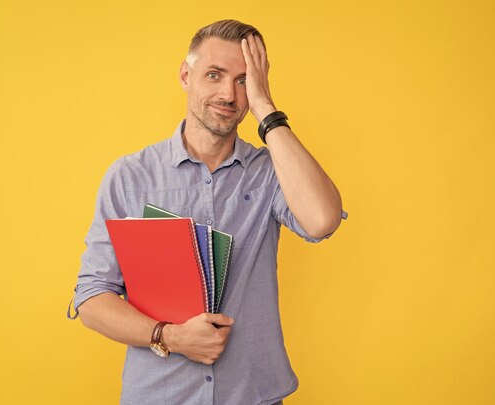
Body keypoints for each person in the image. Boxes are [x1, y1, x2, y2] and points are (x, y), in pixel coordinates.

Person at [71, 19, 346, 405]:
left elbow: (322, 220)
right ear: (186, 75)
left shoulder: (271, 172)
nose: (228, 94)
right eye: (214, 75)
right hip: (159, 396)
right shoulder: (130, 176)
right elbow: (92, 298)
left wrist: (266, 108)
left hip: (252, 395)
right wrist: (168, 336)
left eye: (242, 81)